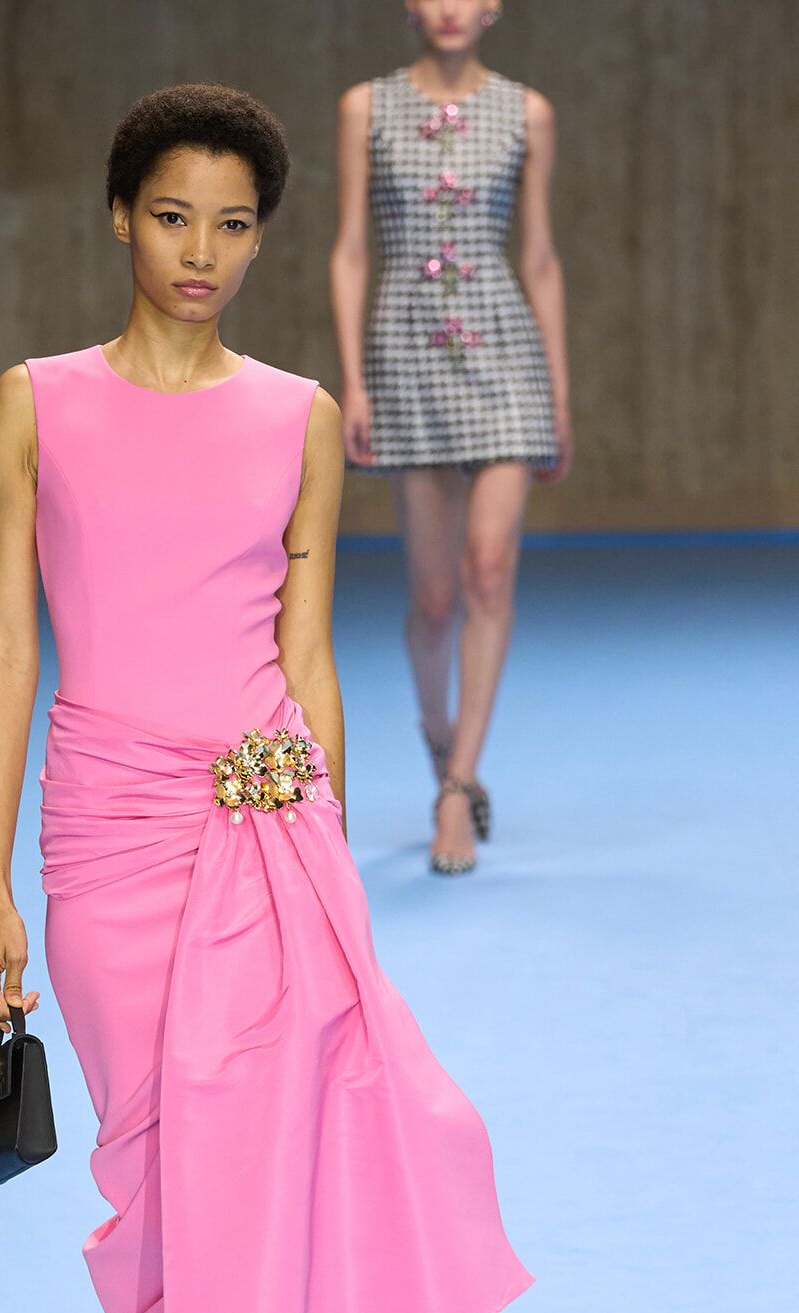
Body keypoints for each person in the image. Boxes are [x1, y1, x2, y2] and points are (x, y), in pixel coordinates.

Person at [0, 82, 532, 1313]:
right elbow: (8, 646)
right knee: (155, 1183)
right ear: (119, 217)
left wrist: (336, 863)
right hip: (102, 843)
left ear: (262, 240)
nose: (200, 251)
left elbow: (306, 656)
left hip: (266, 839)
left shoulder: (297, 416)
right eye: (172, 217)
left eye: (231, 225)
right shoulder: (35, 405)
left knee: (256, 1201)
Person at [330, 0, 572, 874]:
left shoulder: (527, 111)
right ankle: (441, 742)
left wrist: (559, 395)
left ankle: (457, 790)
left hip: (506, 353)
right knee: (434, 600)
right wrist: (354, 379)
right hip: (406, 352)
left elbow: (538, 256)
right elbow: (350, 249)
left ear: (493, 7)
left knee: (489, 570)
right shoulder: (365, 107)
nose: (450, 7)